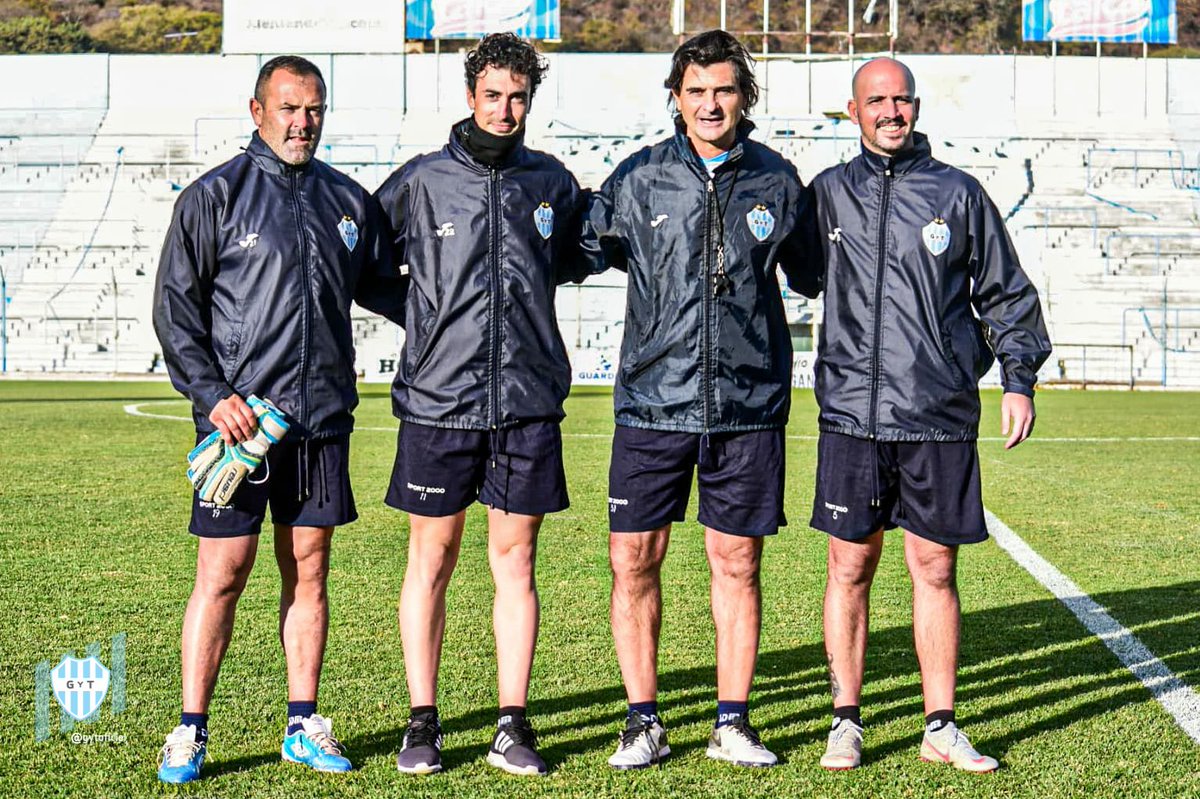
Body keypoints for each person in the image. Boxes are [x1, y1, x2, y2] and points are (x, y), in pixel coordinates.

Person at [152, 55, 405, 784]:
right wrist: (211, 394)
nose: (303, 122)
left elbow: (391, 291)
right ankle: (191, 727)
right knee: (223, 572)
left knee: (310, 573)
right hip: (237, 427)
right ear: (257, 110)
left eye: (314, 109)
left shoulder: (349, 201)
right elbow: (176, 311)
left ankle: (303, 721)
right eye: (289, 108)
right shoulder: (212, 198)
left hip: (321, 421)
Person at [809, 57, 1052, 773]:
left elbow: (1006, 292)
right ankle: (845, 721)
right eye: (875, 100)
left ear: (916, 107)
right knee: (849, 564)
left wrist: (1019, 378)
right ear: (852, 111)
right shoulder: (825, 195)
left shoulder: (959, 193)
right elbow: (785, 269)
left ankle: (940, 723)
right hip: (852, 413)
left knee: (935, 566)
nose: (891, 111)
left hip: (936, 411)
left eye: (901, 99)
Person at [584, 30, 820, 769]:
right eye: (696, 91)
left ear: (743, 95)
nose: (710, 103)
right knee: (633, 559)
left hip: (746, 406)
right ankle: (641, 720)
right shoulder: (638, 179)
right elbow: (576, 251)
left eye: (723, 89)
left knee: (738, 563)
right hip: (653, 404)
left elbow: (819, 276)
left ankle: (733, 720)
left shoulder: (779, 182)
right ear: (676, 98)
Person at [374, 33, 590, 777]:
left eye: (519, 96)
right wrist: (425, 321)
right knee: (430, 560)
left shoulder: (553, 184)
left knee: (517, 563)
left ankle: (511, 722)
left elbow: (565, 264)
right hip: (439, 402)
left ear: (531, 99)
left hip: (527, 401)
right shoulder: (421, 182)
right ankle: (422, 721)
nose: (506, 109)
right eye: (493, 95)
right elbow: (368, 265)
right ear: (470, 96)